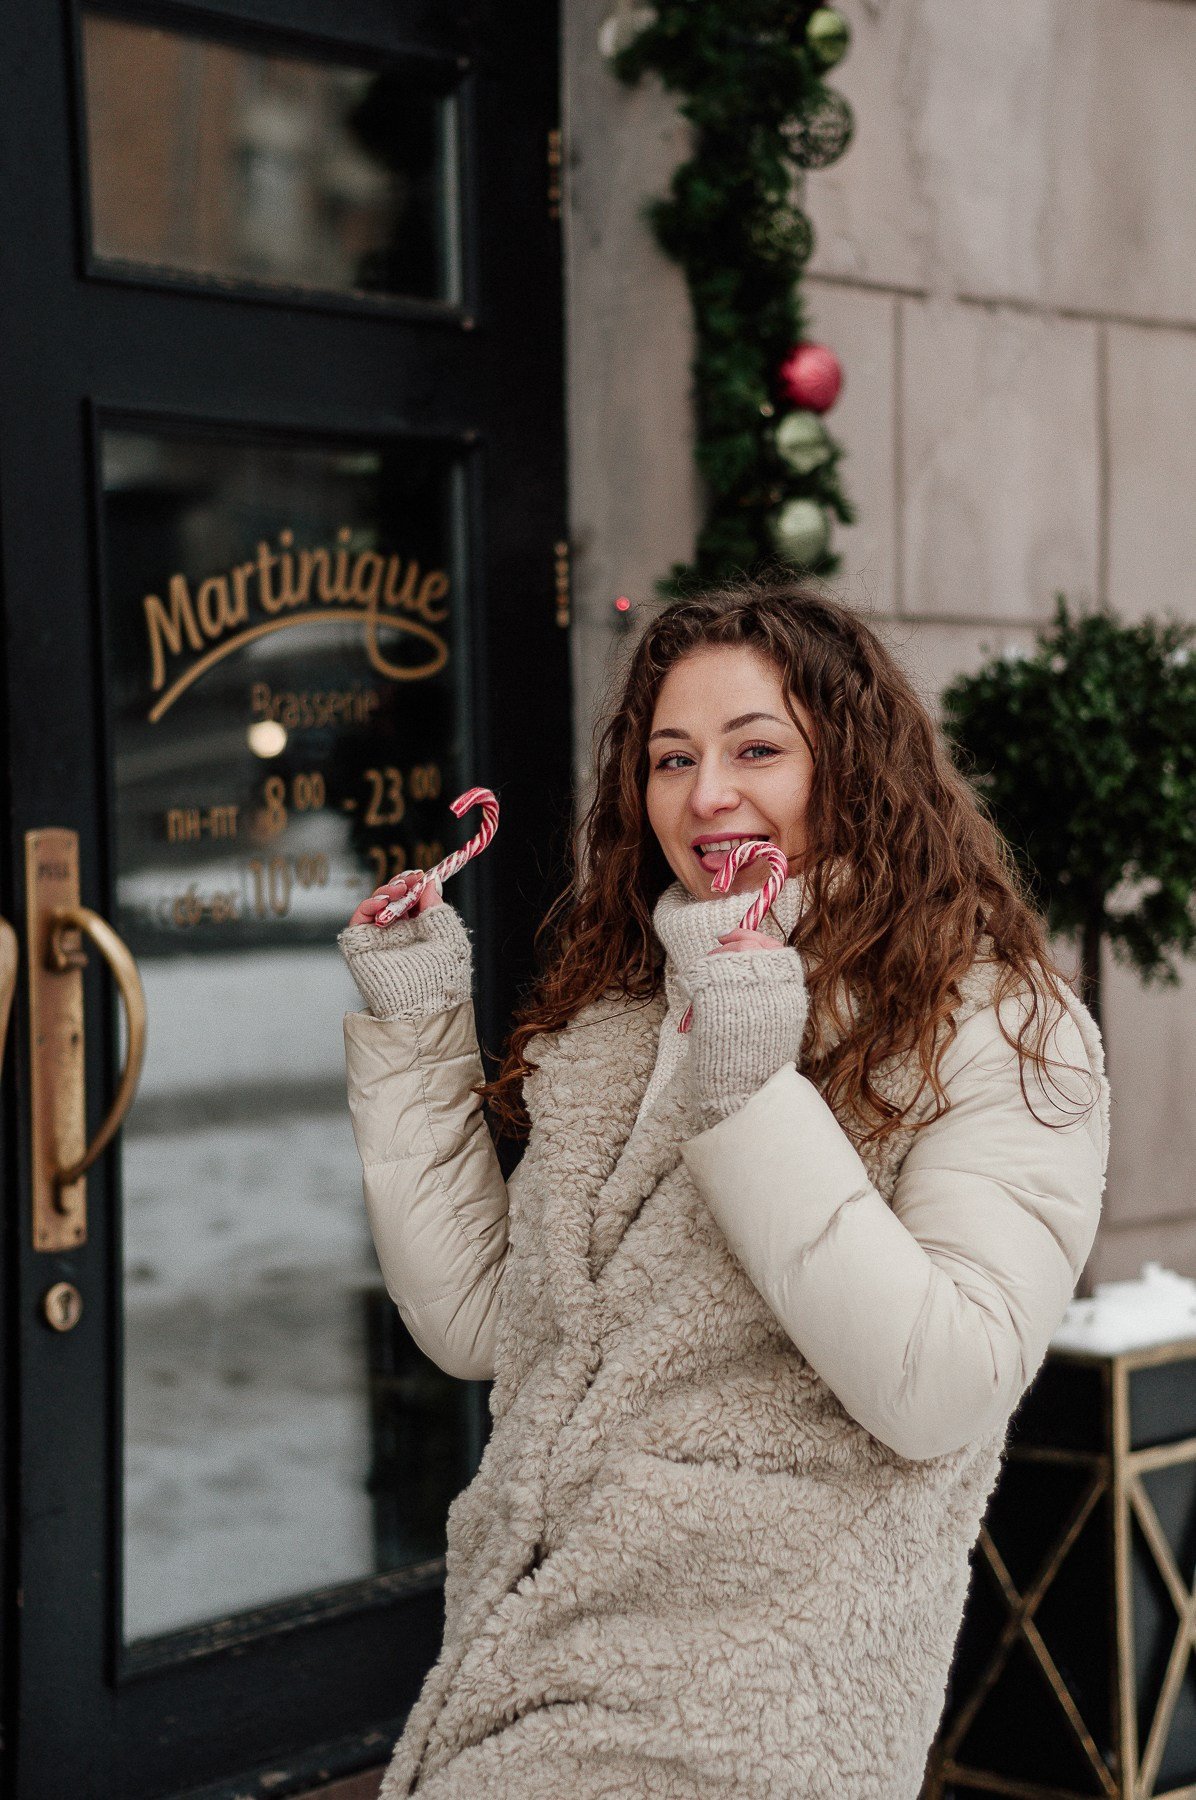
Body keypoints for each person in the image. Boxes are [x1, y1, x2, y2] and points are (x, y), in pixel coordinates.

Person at [339, 581, 1107, 1800]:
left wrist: (747, 1080)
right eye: (671, 758)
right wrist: (418, 1024)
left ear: (855, 768)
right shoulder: (621, 1019)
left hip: (755, 1703)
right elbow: (491, 1323)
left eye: (756, 750)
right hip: (526, 1662)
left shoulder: (992, 1019)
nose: (705, 796)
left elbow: (941, 1384)